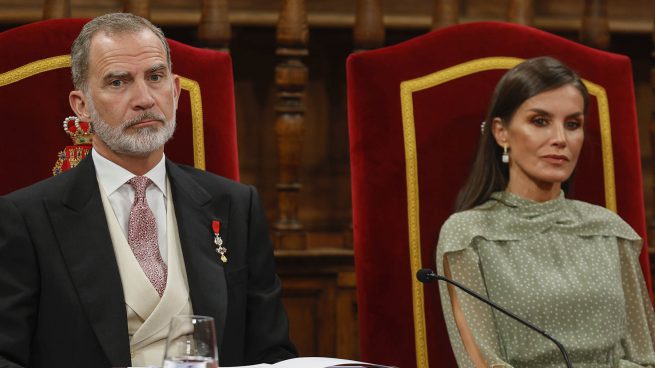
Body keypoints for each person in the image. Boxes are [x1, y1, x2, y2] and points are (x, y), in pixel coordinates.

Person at [0, 13, 297, 367]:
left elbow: (273, 352)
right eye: (118, 82)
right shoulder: (26, 218)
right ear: (82, 106)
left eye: (155, 77)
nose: (144, 99)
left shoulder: (235, 205)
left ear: (174, 90)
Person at [436, 57, 655, 367]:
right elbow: (483, 362)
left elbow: (646, 354)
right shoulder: (469, 234)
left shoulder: (609, 229)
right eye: (540, 121)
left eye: (573, 124)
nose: (560, 140)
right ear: (502, 132)